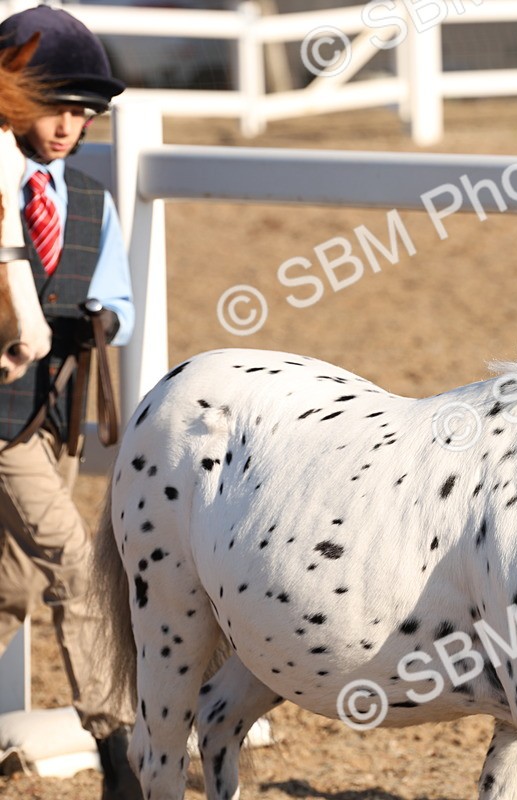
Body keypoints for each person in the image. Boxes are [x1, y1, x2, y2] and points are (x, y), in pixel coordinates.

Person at [0, 7, 138, 799]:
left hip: (56, 417)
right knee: (78, 570)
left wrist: (101, 319)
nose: (67, 127)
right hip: (1, 419)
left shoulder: (87, 200)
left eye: (82, 115)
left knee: (13, 589)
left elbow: (114, 291)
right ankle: (118, 747)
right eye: (55, 109)